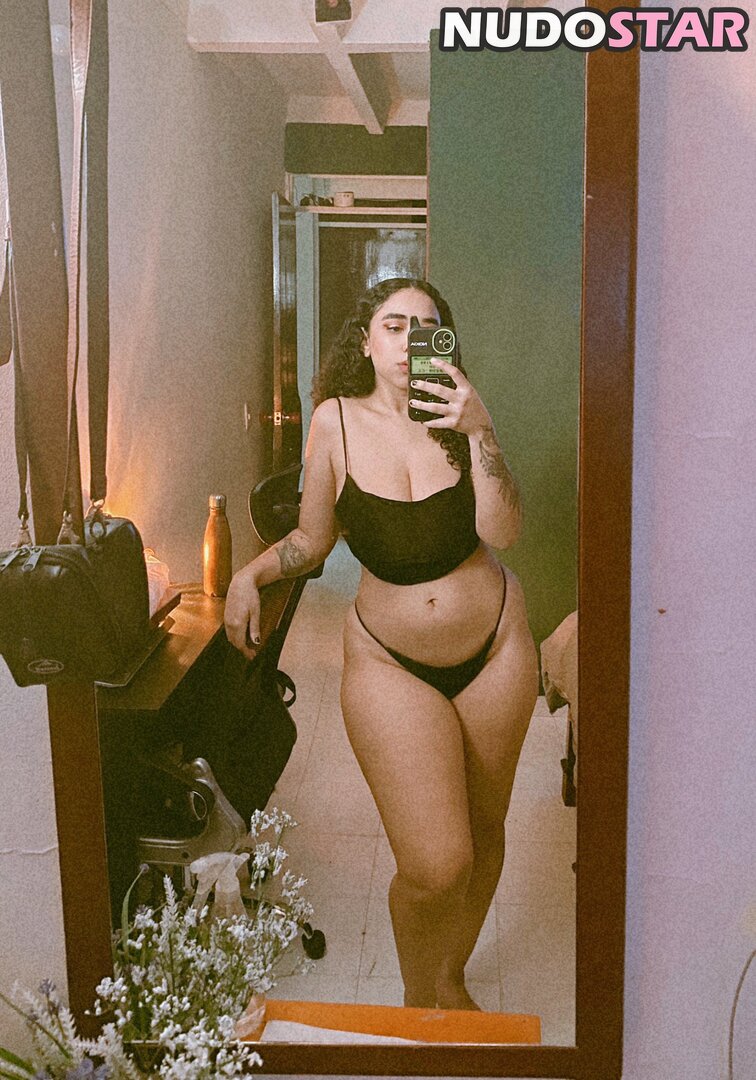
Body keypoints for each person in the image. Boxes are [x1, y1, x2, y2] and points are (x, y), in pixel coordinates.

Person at [225, 277, 538, 1010]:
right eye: (394, 326)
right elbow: (312, 539)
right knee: (437, 864)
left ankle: (448, 979)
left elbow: (504, 532)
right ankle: (419, 997)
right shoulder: (333, 422)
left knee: (485, 832)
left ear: (444, 344)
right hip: (390, 662)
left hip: (497, 647)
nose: (407, 341)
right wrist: (251, 573)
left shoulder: (459, 417)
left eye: (426, 328)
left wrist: (481, 430)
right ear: (366, 341)